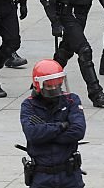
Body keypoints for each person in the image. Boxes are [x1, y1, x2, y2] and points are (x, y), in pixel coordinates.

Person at [20, 60, 86, 188]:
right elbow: (32, 134)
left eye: (57, 85)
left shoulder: (71, 100)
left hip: (69, 175)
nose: (54, 89)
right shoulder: (29, 105)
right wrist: (62, 126)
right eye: (50, 86)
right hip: (42, 176)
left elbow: (78, 130)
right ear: (39, 85)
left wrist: (46, 133)